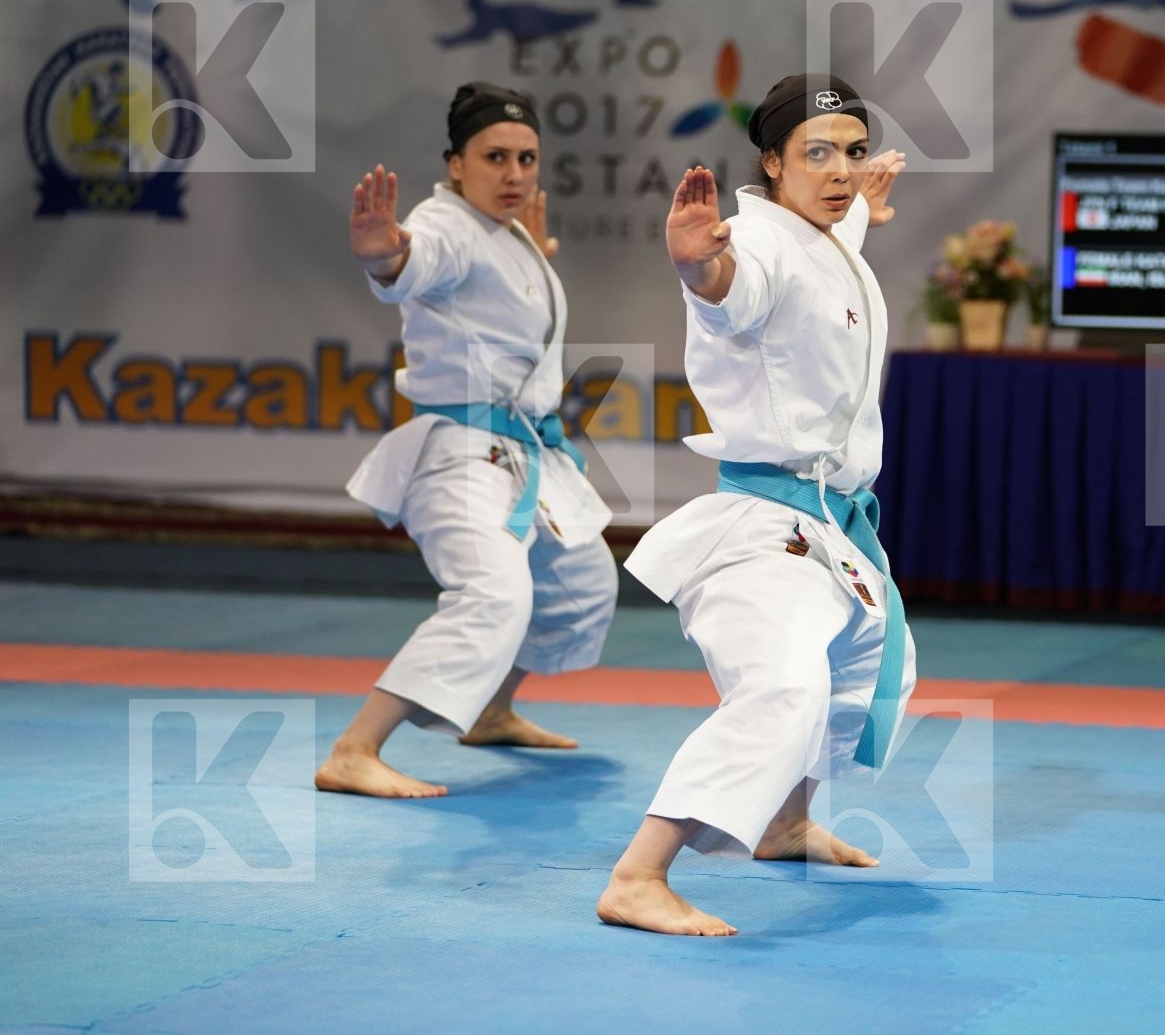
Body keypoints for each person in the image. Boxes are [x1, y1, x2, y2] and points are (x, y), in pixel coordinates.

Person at [598, 74, 911, 936]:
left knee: (858, 669)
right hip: (763, 529)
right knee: (782, 688)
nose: (840, 170)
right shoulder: (760, 246)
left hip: (827, 528)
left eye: (853, 151)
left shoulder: (822, 230)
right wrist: (703, 265)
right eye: (818, 154)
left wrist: (862, 212)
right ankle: (638, 875)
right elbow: (734, 292)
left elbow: (835, 228)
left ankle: (784, 821)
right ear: (771, 164)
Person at [315, 82, 619, 799]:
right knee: (492, 592)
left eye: (527, 158)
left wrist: (532, 254)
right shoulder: (442, 223)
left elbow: (496, 302)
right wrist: (384, 256)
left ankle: (489, 708)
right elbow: (414, 262)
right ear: (456, 164)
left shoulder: (505, 230)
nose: (514, 174)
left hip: (521, 455)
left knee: (581, 582)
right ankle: (355, 749)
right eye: (494, 158)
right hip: (460, 456)